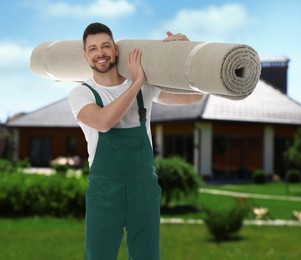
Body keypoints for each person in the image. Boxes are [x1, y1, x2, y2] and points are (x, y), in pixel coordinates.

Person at [68, 22, 203, 260]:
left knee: (147, 256)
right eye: (93, 48)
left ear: (116, 50)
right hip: (104, 191)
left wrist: (186, 51)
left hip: (143, 188)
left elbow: (195, 96)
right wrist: (137, 82)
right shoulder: (82, 93)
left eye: (106, 46)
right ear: (85, 55)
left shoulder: (144, 87)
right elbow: (103, 122)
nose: (100, 53)